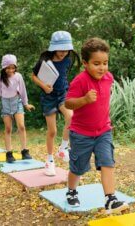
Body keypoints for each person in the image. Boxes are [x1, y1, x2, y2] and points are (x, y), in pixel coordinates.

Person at [64, 38, 129, 214]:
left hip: (103, 132)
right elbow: (68, 103)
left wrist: (105, 120)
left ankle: (110, 199)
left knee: (107, 162)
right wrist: (84, 100)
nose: (102, 67)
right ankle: (71, 190)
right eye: (96, 63)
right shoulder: (80, 81)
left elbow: (103, 102)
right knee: (78, 168)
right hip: (81, 134)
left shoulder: (108, 77)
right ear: (85, 63)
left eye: (105, 63)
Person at [31, 31, 80, 176]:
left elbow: (64, 76)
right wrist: (43, 86)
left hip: (63, 94)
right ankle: (50, 160)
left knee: (71, 118)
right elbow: (34, 76)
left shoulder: (67, 60)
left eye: (66, 50)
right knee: (52, 131)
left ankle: (63, 148)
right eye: (61, 50)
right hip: (48, 97)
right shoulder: (44, 61)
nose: (64, 53)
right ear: (53, 48)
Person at [0, 54, 35, 163]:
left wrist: (26, 104)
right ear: (4, 67)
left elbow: (23, 91)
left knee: (21, 126)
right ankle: (9, 153)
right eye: (8, 67)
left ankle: (24, 151)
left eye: (13, 67)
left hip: (17, 102)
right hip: (5, 103)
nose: (11, 70)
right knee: (8, 129)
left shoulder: (18, 76)